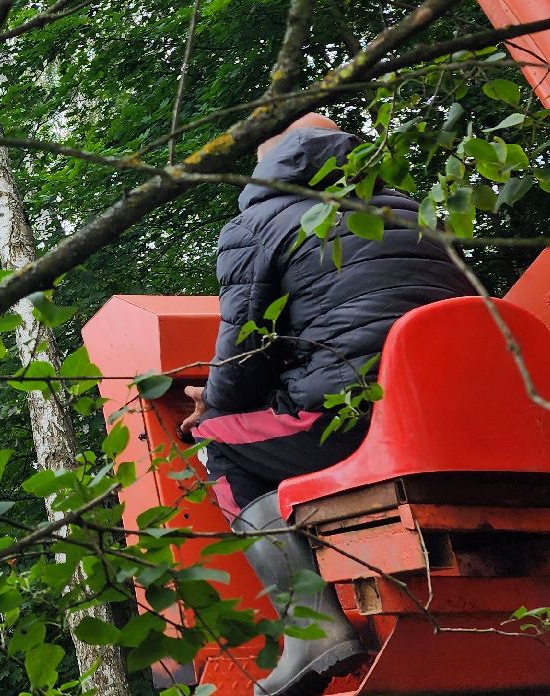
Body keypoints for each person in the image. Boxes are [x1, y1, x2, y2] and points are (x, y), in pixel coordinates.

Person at [182, 112, 473, 696]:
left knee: (219, 444)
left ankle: (312, 629)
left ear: (270, 161)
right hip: (458, 414)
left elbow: (242, 357)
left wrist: (208, 404)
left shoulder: (261, 221)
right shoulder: (411, 212)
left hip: (356, 419)